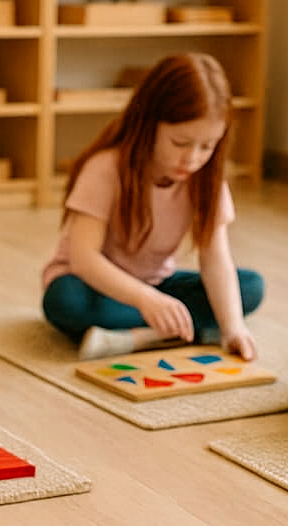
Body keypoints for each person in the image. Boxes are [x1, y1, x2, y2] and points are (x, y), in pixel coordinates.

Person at [41, 52, 264, 362]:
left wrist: (233, 328)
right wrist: (146, 300)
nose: (193, 159)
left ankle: (142, 336)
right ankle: (185, 330)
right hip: (93, 285)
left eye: (207, 146)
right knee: (65, 301)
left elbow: (215, 259)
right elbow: (83, 259)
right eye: (180, 143)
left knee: (250, 287)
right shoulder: (105, 168)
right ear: (149, 123)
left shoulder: (205, 179)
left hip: (156, 286)